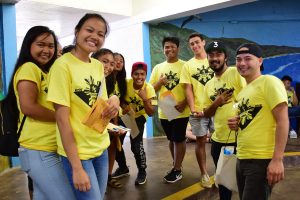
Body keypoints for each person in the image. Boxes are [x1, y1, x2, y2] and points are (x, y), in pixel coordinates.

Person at [47, 13, 120, 199]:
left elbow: (100, 106)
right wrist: (77, 167)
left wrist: (114, 101)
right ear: (77, 31)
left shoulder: (97, 65)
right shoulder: (62, 66)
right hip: (79, 154)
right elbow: (62, 121)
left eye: (101, 34)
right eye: (89, 30)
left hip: (101, 147)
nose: (95, 36)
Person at [11, 26, 75, 200]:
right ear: (28, 45)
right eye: (41, 44)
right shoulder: (29, 68)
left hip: (48, 148)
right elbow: (28, 107)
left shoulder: (45, 72)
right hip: (38, 149)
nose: (47, 50)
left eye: (51, 46)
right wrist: (63, 117)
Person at [228, 43, 289, 200]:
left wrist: (277, 159)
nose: (242, 63)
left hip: (261, 160)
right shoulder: (242, 92)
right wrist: (237, 124)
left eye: (248, 59)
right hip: (242, 158)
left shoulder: (269, 81)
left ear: (260, 61)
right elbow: (254, 119)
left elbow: (283, 121)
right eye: (238, 59)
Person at [203, 41, 246, 199]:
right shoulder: (208, 85)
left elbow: (249, 97)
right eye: (211, 55)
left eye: (218, 55)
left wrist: (241, 118)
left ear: (226, 57)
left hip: (239, 138)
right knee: (223, 181)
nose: (214, 58)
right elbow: (206, 113)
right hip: (218, 139)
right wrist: (217, 102)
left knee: (244, 182)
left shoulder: (236, 73)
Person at [149, 36, 189, 183]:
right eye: (166, 47)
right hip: (165, 109)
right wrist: (159, 83)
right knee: (171, 140)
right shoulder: (158, 68)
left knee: (179, 139)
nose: (169, 49)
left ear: (178, 48)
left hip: (180, 110)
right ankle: (176, 165)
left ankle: (177, 170)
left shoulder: (186, 66)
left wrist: (185, 102)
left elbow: (193, 88)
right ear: (163, 49)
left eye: (172, 46)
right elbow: (150, 89)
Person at [179, 33, 214, 188]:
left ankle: (221, 172)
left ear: (203, 42)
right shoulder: (188, 65)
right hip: (198, 110)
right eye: (192, 44)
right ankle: (204, 173)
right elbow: (188, 89)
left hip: (217, 109)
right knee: (200, 141)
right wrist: (192, 108)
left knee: (222, 141)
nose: (195, 46)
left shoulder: (214, 60)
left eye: (197, 42)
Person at [120, 61, 156, 185]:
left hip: (140, 117)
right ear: (132, 74)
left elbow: (151, 113)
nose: (139, 77)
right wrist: (125, 107)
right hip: (126, 116)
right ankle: (122, 167)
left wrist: (145, 98)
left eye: (142, 74)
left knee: (136, 145)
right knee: (116, 143)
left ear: (145, 75)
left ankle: (142, 171)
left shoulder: (149, 88)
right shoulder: (126, 83)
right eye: (136, 74)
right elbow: (121, 99)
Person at [92, 48, 123, 188]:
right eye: (104, 62)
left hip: (100, 141)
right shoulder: (91, 81)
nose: (109, 67)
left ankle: (109, 175)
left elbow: (101, 113)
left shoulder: (103, 82)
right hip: (84, 145)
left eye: (112, 63)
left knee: (100, 187)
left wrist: (113, 126)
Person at [111, 52, 131, 179]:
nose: (118, 63)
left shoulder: (121, 81)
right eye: (116, 60)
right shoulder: (106, 79)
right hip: (110, 118)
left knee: (116, 144)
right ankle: (122, 167)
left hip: (121, 119)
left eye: (121, 61)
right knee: (113, 144)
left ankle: (123, 168)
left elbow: (122, 101)